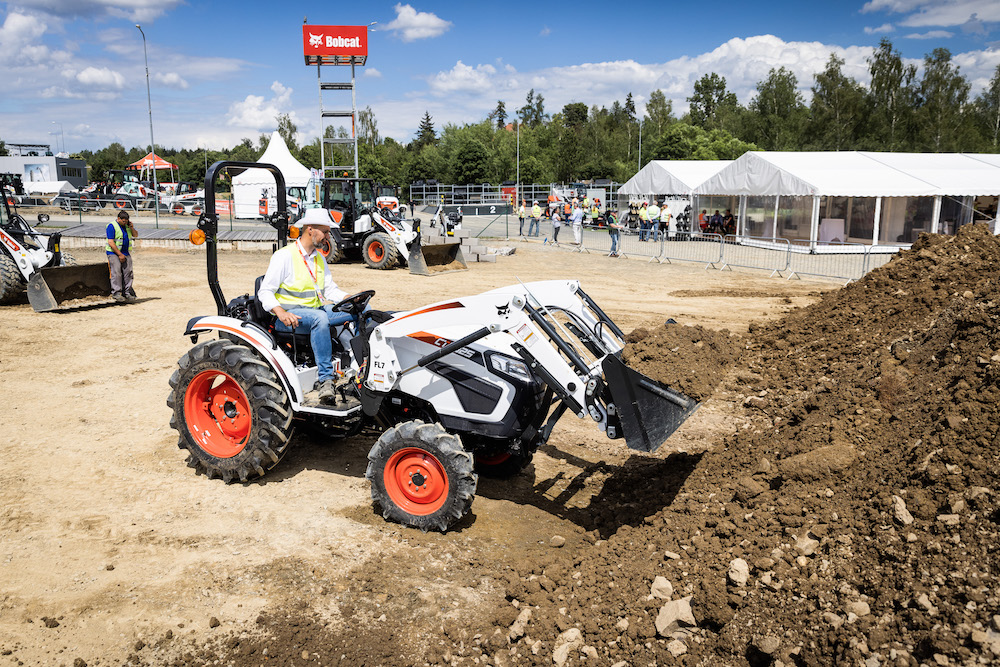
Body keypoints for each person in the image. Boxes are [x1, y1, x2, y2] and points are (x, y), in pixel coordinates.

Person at [258, 209, 357, 402]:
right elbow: (265, 291)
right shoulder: (284, 256)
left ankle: (361, 367)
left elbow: (329, 290)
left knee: (362, 310)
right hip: (288, 317)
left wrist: (350, 298)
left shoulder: (319, 258)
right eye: (326, 232)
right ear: (310, 230)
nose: (329, 236)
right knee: (319, 319)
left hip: (314, 312)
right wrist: (279, 311)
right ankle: (326, 379)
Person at [106, 210, 138, 303]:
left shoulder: (127, 226)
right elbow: (111, 242)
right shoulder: (112, 226)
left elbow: (135, 235)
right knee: (117, 272)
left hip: (125, 252)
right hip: (113, 253)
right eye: (123, 221)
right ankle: (116, 293)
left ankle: (127, 292)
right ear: (119, 219)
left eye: (127, 221)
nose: (125, 223)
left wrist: (131, 227)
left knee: (129, 272)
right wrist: (119, 255)